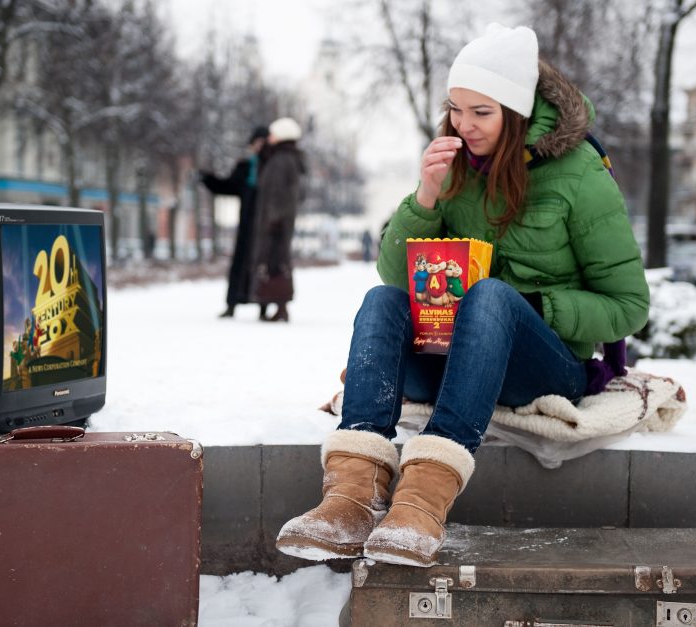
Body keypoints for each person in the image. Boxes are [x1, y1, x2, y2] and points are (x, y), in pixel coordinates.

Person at [275, 24, 649, 567]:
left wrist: (537, 309)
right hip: (455, 357)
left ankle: (423, 503)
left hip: (543, 367)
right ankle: (350, 499)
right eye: (456, 108)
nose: (464, 125)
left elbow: (628, 305)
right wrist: (427, 194)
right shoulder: (453, 165)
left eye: (482, 113)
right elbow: (393, 277)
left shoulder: (580, 174)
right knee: (381, 304)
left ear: (516, 112)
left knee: (492, 297)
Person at [200, 125, 269, 319]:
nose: (259, 146)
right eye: (257, 142)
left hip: (265, 226)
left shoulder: (271, 166)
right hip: (246, 224)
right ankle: (232, 304)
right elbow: (228, 186)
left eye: (263, 142)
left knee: (261, 266)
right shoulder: (245, 166)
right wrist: (208, 179)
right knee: (239, 264)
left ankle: (263, 305)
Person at [253, 117, 305, 323]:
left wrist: (274, 218)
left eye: (273, 134)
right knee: (279, 261)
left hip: (275, 222)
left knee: (275, 262)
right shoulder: (288, 158)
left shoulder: (281, 160)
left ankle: (280, 305)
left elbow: (277, 192)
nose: (269, 138)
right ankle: (279, 305)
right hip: (281, 220)